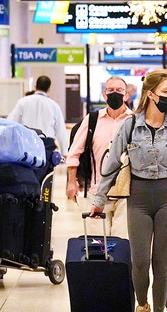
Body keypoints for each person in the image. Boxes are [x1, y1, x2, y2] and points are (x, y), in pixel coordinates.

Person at [90, 70, 167, 312]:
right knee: (139, 261)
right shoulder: (130, 125)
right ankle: (142, 304)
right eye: (165, 92)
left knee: (161, 262)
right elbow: (111, 167)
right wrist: (99, 200)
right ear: (150, 95)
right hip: (138, 198)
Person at [66, 76, 132, 236]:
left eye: (119, 90)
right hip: (95, 191)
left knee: (122, 244)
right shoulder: (92, 120)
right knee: (97, 245)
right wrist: (71, 182)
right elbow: (74, 152)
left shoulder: (134, 121)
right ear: (104, 95)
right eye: (110, 90)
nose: (114, 94)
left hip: (126, 194)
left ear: (126, 95)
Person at [7, 75, 69, 156]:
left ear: (35, 86)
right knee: (45, 167)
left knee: (28, 167)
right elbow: (61, 131)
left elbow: (11, 122)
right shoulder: (54, 106)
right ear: (49, 89)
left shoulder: (23, 102)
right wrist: (65, 152)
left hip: (27, 141)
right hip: (47, 144)